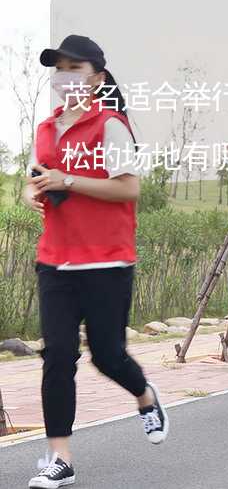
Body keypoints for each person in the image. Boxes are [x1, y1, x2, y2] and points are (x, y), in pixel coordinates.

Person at [22, 35, 168, 489]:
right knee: (58, 356)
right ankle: (59, 457)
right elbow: (32, 179)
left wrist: (70, 179)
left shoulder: (111, 126)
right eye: (59, 69)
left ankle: (145, 396)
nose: (65, 77)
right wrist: (33, 192)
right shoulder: (46, 128)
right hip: (55, 261)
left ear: (97, 78)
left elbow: (128, 188)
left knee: (107, 356)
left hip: (106, 261)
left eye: (75, 68)